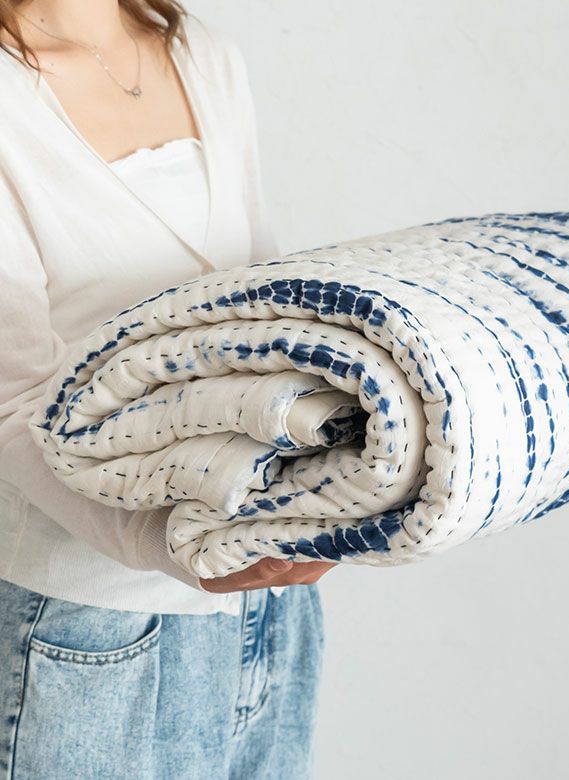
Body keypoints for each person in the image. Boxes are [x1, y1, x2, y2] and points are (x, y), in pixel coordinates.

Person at [0, 1, 336, 776]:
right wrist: (173, 545)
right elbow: (10, 399)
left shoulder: (201, 53)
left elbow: (266, 309)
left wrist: (329, 498)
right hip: (93, 622)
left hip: (268, 605)